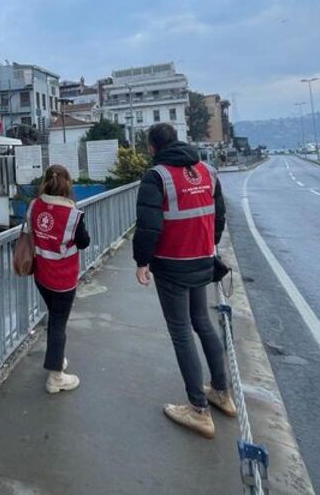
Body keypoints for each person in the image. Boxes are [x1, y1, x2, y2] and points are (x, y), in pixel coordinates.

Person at [133, 123, 235, 439]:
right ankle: (221, 391)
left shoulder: (156, 177)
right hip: (203, 260)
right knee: (202, 321)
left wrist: (142, 261)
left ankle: (198, 409)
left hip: (173, 265)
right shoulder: (207, 171)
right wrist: (209, 245)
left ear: (153, 147)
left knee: (181, 332)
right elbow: (219, 214)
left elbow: (149, 226)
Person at [29, 164, 90, 394]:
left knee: (54, 319)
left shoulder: (35, 205)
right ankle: (55, 378)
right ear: (67, 183)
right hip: (63, 278)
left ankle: (56, 359)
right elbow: (84, 242)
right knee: (59, 324)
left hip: (40, 275)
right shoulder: (73, 215)